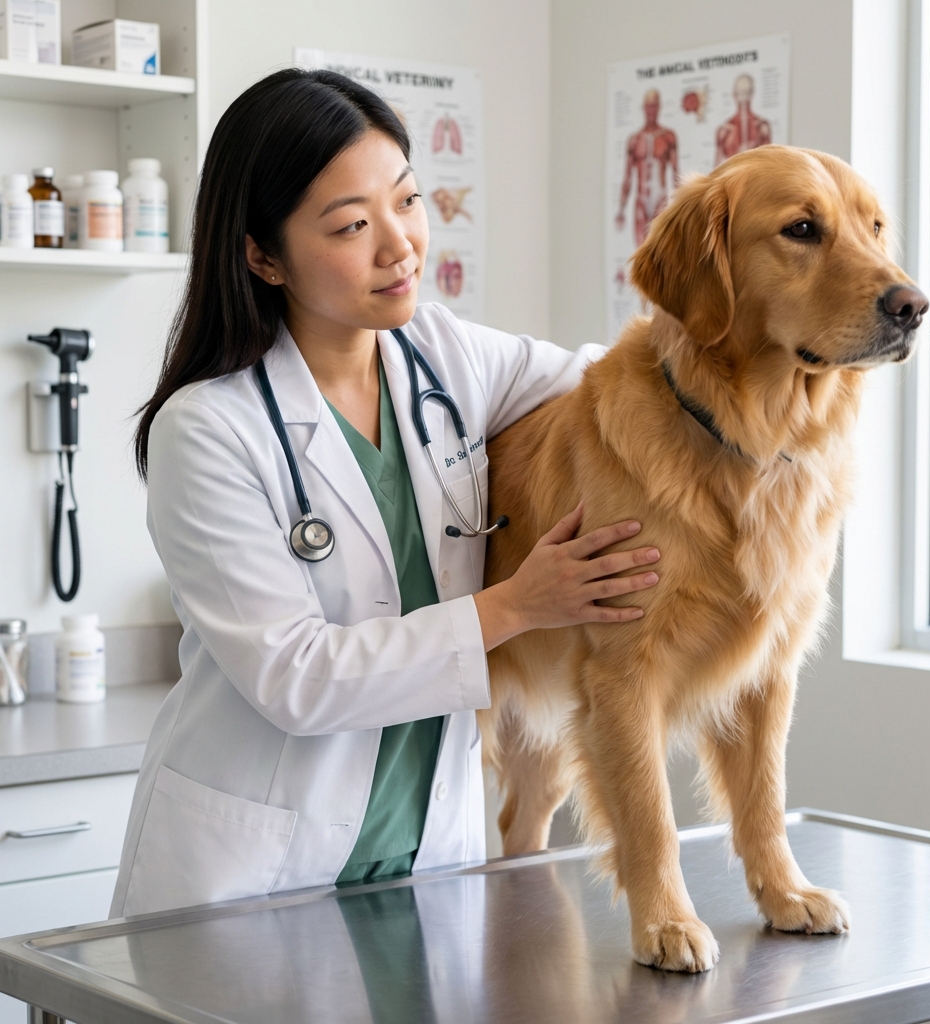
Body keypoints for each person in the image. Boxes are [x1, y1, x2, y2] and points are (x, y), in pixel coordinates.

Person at [110, 68, 661, 917]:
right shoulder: (209, 430)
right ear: (262, 255)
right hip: (251, 879)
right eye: (352, 225)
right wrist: (515, 606)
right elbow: (297, 678)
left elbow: (604, 381)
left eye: (407, 201)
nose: (399, 245)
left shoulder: (444, 356)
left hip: (425, 857)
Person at [615, 89, 679, 247]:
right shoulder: (634, 140)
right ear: (643, 108)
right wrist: (621, 210)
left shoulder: (668, 137)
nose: (652, 110)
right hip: (641, 200)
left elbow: (676, 175)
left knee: (661, 253)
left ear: (659, 107)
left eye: (655, 105)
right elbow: (627, 178)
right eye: (649, 106)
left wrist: (682, 208)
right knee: (641, 253)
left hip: (661, 199)